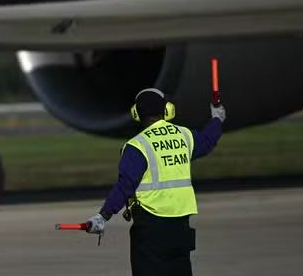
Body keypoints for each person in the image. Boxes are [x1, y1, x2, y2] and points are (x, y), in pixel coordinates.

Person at [85, 88, 225, 276]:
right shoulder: (183, 136)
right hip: (181, 228)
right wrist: (216, 119)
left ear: (136, 114)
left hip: (151, 229)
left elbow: (125, 186)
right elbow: (208, 141)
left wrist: (103, 216)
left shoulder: (138, 145)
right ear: (167, 110)